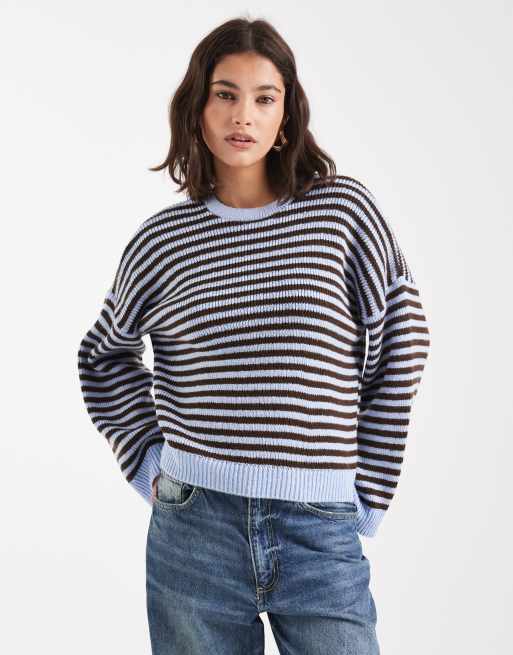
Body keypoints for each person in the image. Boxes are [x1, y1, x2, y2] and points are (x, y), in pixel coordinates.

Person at [77, 16, 430, 655]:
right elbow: (103, 356)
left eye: (265, 98)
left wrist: (369, 492)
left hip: (318, 530)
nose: (244, 115)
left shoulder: (343, 213)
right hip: (194, 530)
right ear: (197, 107)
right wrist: (151, 464)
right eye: (226, 94)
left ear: (286, 114)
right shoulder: (162, 242)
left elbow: (403, 342)